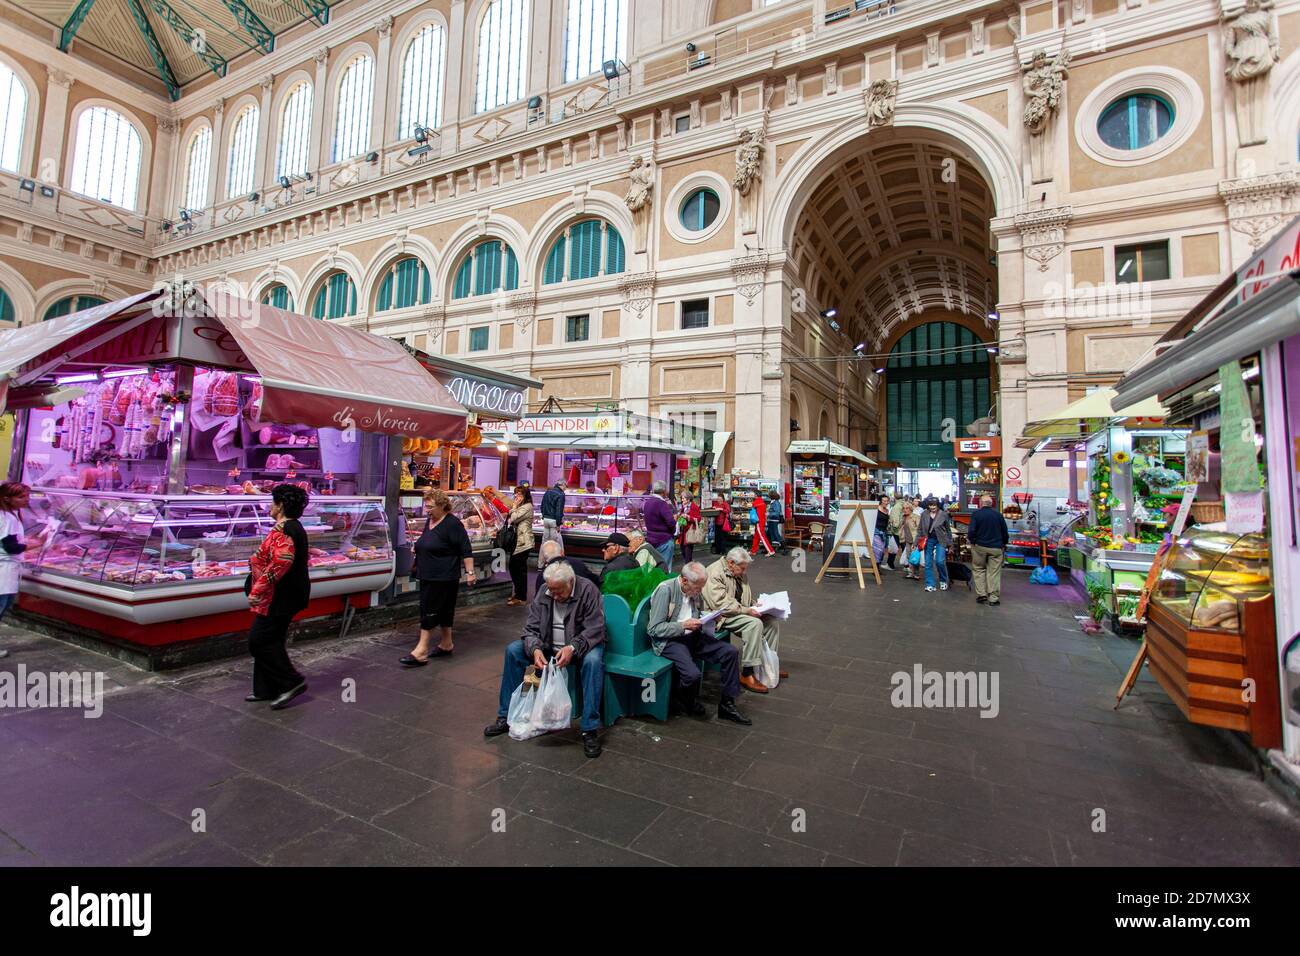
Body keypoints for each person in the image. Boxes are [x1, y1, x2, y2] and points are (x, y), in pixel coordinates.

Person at [484, 561, 606, 758]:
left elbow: (595, 629)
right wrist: (535, 649)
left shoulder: (588, 590)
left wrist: (572, 648)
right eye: (552, 591)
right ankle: (505, 716)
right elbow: (530, 629)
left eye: (559, 592)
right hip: (549, 647)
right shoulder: (544, 591)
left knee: (593, 661)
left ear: (571, 582)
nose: (554, 596)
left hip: (581, 647)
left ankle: (589, 729)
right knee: (513, 651)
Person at [646, 562, 750, 725]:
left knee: (730, 652)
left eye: (702, 587)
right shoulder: (666, 590)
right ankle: (681, 697)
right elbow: (654, 629)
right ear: (685, 580)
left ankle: (727, 705)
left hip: (693, 635)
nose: (700, 591)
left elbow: (697, 612)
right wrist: (682, 626)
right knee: (692, 675)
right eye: (697, 588)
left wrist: (710, 616)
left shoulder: (694, 590)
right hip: (671, 640)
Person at [245, 484, 312, 709]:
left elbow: (281, 562)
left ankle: (291, 682)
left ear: (281, 505)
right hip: (287, 594)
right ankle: (265, 689)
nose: (270, 506)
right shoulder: (292, 526)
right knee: (271, 639)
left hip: (281, 596)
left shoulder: (285, 529)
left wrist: (258, 590)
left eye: (273, 501)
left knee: (259, 640)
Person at [400, 489, 476, 665]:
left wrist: (470, 573)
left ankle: (421, 650)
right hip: (429, 573)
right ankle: (446, 643)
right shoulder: (430, 521)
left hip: (443, 575)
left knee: (429, 610)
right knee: (444, 610)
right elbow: (430, 541)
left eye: (430, 507)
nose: (427, 510)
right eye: (426, 506)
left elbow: (465, 549)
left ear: (442, 506)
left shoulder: (452, 524)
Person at [703, 548, 784, 694]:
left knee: (771, 622)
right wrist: (747, 610)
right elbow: (720, 604)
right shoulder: (714, 573)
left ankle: (769, 665)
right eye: (742, 568)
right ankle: (747, 673)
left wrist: (755, 604)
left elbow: (739, 595)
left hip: (738, 610)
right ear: (731, 563)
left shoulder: (737, 571)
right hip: (720, 616)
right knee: (754, 624)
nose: (744, 572)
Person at [0, 482, 42, 659]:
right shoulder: (7, 518)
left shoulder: (9, 515)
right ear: (7, 499)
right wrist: (37, 544)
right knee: (2, 606)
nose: (27, 500)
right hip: (4, 568)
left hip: (7, 567)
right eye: (21, 497)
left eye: (27, 496)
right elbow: (11, 548)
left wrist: (27, 541)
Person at [967, 494, 1010, 606]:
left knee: (978, 569)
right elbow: (1005, 532)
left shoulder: (976, 514)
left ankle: (982, 595)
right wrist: (1004, 543)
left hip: (979, 547)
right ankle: (993, 598)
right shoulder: (998, 515)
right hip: (996, 548)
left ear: (981, 503)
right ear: (992, 504)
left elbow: (971, 531)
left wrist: (973, 541)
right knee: (993, 573)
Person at [505, 485, 534, 607]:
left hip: (523, 542)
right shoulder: (520, 506)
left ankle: (521, 597)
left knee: (520, 569)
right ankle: (517, 593)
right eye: (516, 494)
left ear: (525, 496)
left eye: (520, 494)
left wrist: (514, 508)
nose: (517, 496)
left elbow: (514, 518)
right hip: (517, 541)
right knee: (513, 567)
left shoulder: (527, 507)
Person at [533, 538, 598, 593]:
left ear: (545, 559)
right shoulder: (578, 563)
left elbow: (538, 601)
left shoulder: (542, 576)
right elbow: (595, 581)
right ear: (562, 552)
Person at [917, 497, 953, 593]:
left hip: (941, 540)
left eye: (934, 505)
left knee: (940, 561)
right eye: (930, 505)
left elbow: (948, 530)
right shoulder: (924, 514)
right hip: (928, 540)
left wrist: (950, 544)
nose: (932, 507)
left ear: (937, 505)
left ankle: (943, 580)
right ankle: (930, 584)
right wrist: (916, 542)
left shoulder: (943, 514)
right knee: (928, 563)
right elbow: (920, 529)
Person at [642, 480, 677, 570]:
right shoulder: (661, 503)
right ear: (664, 491)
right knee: (664, 569)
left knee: (653, 567)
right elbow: (671, 522)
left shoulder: (648, 502)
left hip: (651, 539)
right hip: (664, 540)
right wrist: (674, 522)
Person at [676, 490, 702, 564]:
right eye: (682, 498)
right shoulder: (683, 507)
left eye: (683, 498)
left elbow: (698, 519)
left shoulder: (694, 507)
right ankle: (690, 565)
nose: (682, 500)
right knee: (682, 549)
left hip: (690, 532)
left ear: (688, 499)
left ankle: (688, 567)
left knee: (687, 552)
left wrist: (688, 517)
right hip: (683, 532)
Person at [897, 501, 921, 580]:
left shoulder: (915, 517)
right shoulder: (903, 517)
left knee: (915, 557)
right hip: (907, 540)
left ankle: (916, 574)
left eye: (907, 508)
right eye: (903, 508)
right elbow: (901, 527)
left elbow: (920, 529)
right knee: (908, 556)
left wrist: (917, 541)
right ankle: (911, 573)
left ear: (910, 509)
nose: (905, 510)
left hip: (915, 540)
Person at [749, 491, 775, 557]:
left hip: (758, 522)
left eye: (754, 494)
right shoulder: (762, 501)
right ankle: (753, 551)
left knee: (762, 536)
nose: (753, 495)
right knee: (756, 536)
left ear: (756, 495)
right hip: (762, 520)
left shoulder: (756, 502)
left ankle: (771, 551)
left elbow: (752, 507)